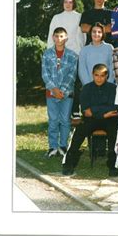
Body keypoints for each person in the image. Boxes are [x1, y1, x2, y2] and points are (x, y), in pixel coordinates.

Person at [62, 64, 118, 176]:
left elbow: (115, 108)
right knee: (79, 132)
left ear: (106, 76)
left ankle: (113, 165)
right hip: (91, 119)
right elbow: (86, 111)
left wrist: (95, 110)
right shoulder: (86, 88)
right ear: (92, 75)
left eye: (102, 76)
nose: (99, 78)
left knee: (114, 133)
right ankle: (69, 164)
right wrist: (103, 114)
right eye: (96, 75)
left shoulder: (113, 89)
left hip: (109, 120)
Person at [46, 0, 86, 119]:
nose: (68, 4)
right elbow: (51, 36)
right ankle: (61, 111)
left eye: (70, 2)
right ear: (62, 3)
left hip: (75, 54)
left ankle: (75, 110)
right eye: (65, 2)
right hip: (59, 54)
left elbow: (82, 37)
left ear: (74, 3)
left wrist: (80, 52)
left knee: (75, 84)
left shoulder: (79, 17)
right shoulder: (57, 18)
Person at [41, 27, 78, 158]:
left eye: (61, 36)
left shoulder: (73, 56)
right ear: (53, 38)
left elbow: (72, 76)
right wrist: (54, 89)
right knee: (53, 120)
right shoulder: (47, 54)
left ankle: (63, 146)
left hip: (67, 94)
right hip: (51, 93)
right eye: (56, 36)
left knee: (65, 120)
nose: (59, 39)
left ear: (66, 38)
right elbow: (45, 74)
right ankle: (52, 147)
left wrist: (61, 91)